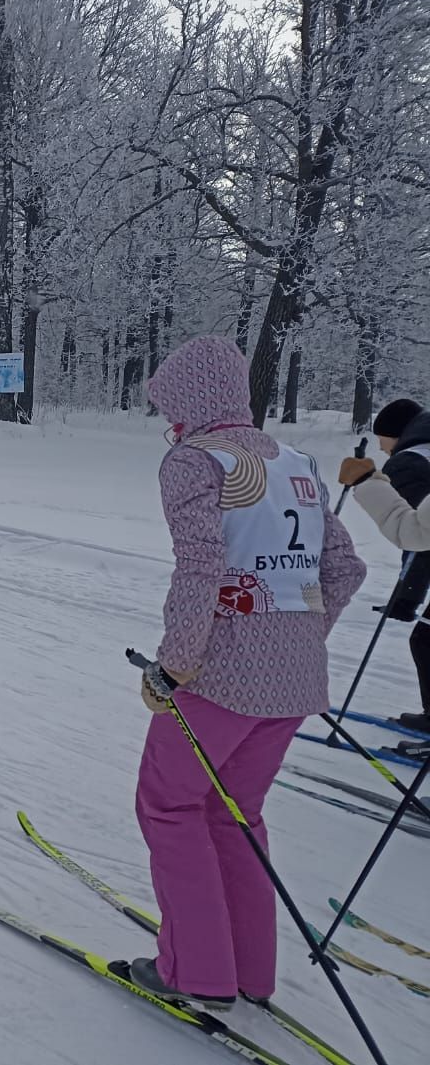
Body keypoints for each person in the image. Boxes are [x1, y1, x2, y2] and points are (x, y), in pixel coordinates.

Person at [133, 336, 364, 1010]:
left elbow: (200, 567)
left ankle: (196, 970)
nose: (168, 421)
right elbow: (346, 568)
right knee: (236, 813)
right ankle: (248, 970)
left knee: (171, 804)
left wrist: (172, 667)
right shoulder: (295, 459)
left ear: (191, 401)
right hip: (296, 680)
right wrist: (297, 634)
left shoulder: (193, 461)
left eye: (169, 406)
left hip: (219, 675)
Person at [337, 398, 430, 733]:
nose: (383, 450)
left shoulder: (408, 462)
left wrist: (406, 599)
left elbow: (419, 535)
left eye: (382, 442)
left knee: (426, 639)